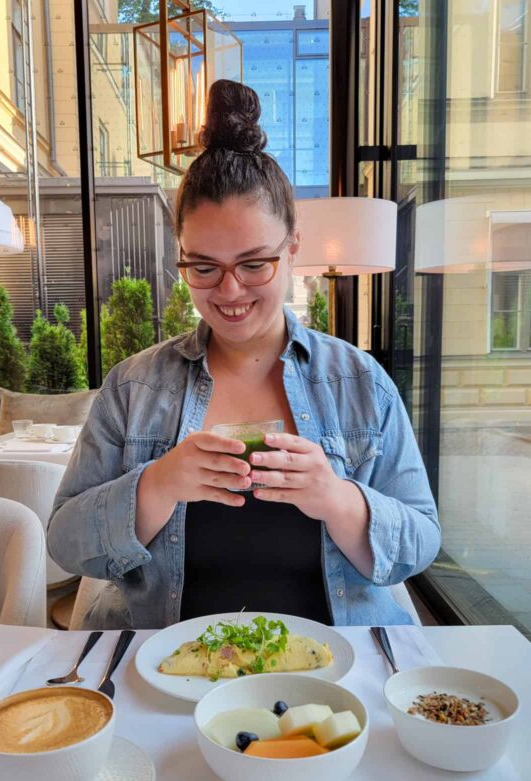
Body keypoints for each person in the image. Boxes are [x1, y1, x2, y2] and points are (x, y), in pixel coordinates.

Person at [47, 79, 441, 630]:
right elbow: (64, 542)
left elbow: (421, 542)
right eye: (203, 267)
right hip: (163, 669)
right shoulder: (133, 387)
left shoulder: (359, 382)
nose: (229, 292)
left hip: (334, 672)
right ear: (180, 255)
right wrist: (157, 485)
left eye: (255, 264)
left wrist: (335, 496)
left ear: (293, 248)